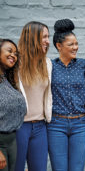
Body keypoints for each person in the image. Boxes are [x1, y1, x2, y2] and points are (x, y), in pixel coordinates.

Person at [47, 19, 85, 171]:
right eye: (71, 44)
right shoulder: (49, 66)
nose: (75, 47)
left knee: (77, 168)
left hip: (80, 124)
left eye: (76, 44)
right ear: (59, 46)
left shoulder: (84, 65)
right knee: (59, 168)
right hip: (56, 125)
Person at [15, 21, 52, 171]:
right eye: (44, 37)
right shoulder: (15, 64)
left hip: (40, 126)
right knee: (16, 167)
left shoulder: (47, 63)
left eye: (48, 37)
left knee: (39, 168)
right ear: (32, 38)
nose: (48, 41)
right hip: (19, 126)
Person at [0, 39, 26, 171]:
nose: (13, 55)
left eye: (16, 53)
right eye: (9, 51)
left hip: (12, 140)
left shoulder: (6, 79)